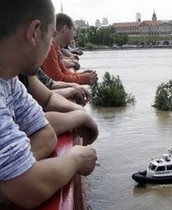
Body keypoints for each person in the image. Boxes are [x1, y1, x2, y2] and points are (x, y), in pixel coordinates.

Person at [0, 0, 98, 208]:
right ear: (34, 32)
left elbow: (46, 133)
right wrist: (76, 160)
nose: (51, 45)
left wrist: (12, 176)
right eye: (50, 34)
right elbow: (29, 188)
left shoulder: (9, 79)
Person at [42, 13, 98, 86]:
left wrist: (83, 74)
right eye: (74, 30)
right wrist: (85, 78)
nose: (75, 35)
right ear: (65, 29)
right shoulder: (49, 48)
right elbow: (58, 79)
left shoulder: (55, 48)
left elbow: (64, 72)